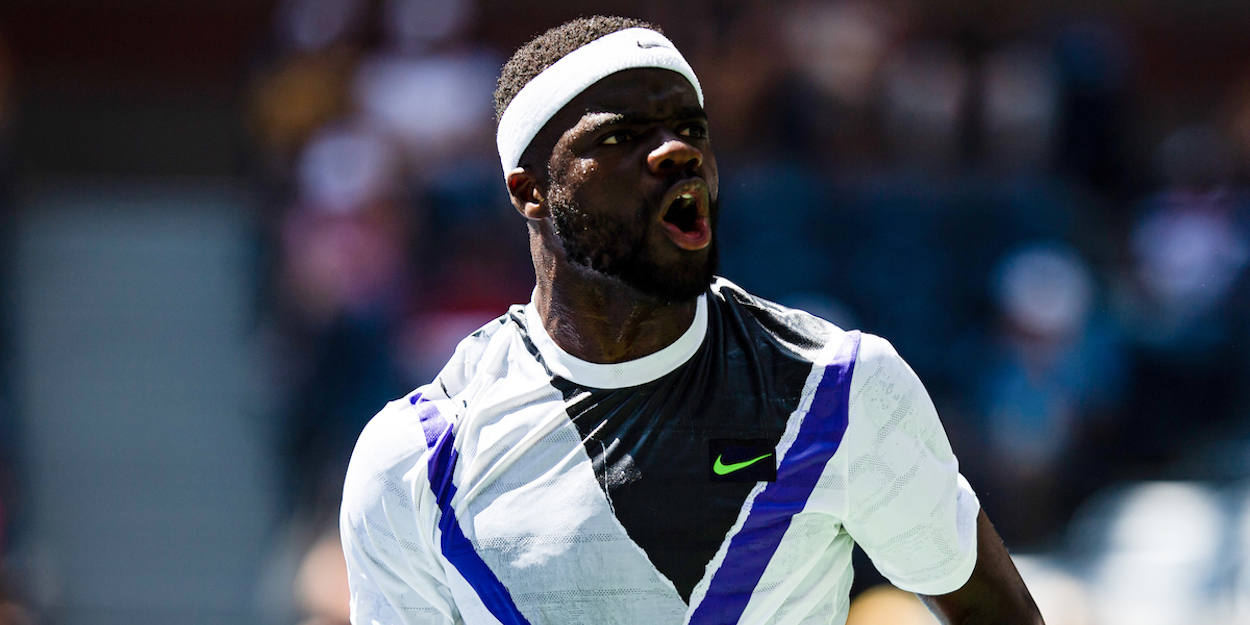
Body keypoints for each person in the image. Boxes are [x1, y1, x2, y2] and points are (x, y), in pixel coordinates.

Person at [340, 16, 1042, 624]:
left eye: (691, 128)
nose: (677, 151)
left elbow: (991, 610)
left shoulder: (840, 388)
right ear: (530, 191)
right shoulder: (417, 459)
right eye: (621, 137)